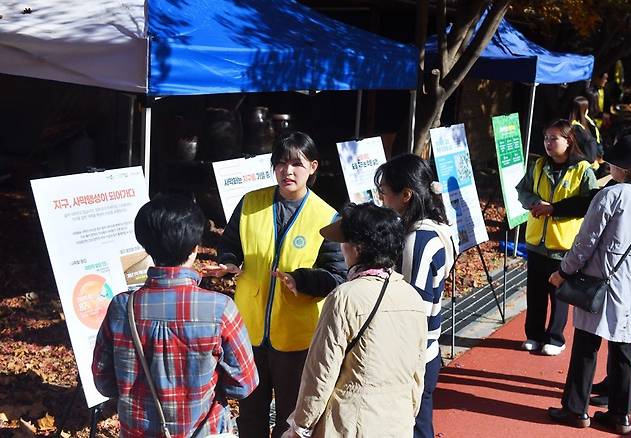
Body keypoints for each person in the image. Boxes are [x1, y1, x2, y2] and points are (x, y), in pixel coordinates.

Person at [207, 131, 347, 438]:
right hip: (250, 332)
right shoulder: (250, 203)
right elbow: (230, 244)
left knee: (291, 417)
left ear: (312, 167)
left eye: (297, 163)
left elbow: (337, 275)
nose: (288, 171)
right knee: (250, 415)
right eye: (281, 163)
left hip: (297, 336)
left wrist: (302, 280)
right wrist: (230, 261)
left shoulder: (326, 217)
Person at [92, 194, 258, 437]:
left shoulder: (122, 307)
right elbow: (244, 384)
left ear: (146, 247)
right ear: (195, 250)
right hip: (205, 431)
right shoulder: (220, 309)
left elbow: (104, 381)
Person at [284, 202, 427, 438]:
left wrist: (301, 425)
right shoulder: (411, 296)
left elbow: (321, 372)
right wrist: (408, 413)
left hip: (350, 422)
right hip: (397, 421)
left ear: (357, 248)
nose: (341, 248)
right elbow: (417, 370)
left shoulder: (344, 297)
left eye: (344, 241)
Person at [547, 134, 631, 435]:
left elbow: (585, 242)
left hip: (601, 277)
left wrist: (564, 271)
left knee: (586, 342)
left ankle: (575, 408)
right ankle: (620, 415)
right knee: (624, 345)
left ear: (625, 166)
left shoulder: (612, 194)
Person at [374, 153, 455, 438]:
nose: (382, 200)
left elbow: (411, 309)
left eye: (385, 194)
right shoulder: (439, 228)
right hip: (427, 349)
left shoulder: (417, 241)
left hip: (413, 354)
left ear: (406, 195)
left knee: (414, 427)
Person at [516, 119, 598, 356]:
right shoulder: (539, 165)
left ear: (568, 140)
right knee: (535, 292)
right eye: (546, 138)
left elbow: (589, 202)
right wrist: (534, 203)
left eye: (554, 138)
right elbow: (523, 191)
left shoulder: (583, 169)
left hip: (564, 244)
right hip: (536, 242)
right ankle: (533, 335)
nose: (548, 143)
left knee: (559, 293)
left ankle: (555, 337)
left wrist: (555, 208)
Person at [569, 96, 602, 165]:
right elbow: (586, 144)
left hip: (596, 156)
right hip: (588, 161)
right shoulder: (576, 127)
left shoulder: (588, 120)